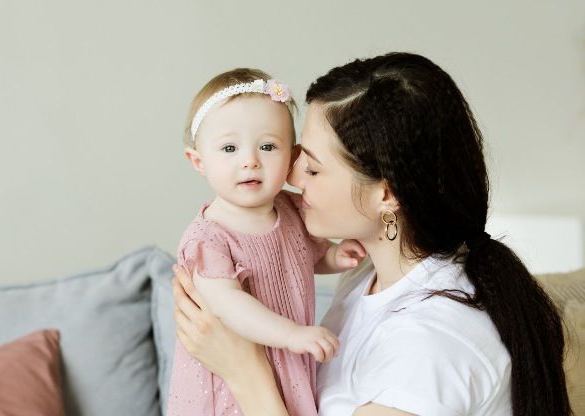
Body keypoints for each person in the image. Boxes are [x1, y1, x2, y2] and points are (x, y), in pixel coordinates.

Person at [171, 53, 572, 415]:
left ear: (386, 193)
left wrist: (244, 371)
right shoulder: (371, 274)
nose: (289, 177)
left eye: (310, 168)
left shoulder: (428, 349)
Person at [167, 68, 366, 416]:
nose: (250, 160)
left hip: (286, 362)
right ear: (198, 161)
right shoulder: (207, 238)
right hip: (230, 377)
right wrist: (291, 334)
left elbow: (305, 257)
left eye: (268, 146)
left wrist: (334, 256)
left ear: (292, 158)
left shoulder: (291, 209)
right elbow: (227, 304)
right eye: (229, 147)